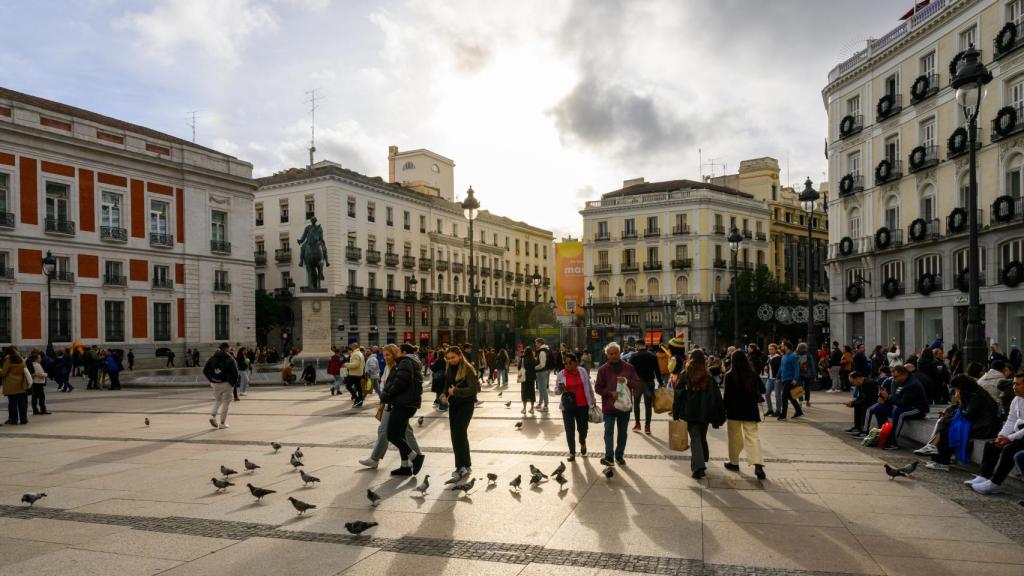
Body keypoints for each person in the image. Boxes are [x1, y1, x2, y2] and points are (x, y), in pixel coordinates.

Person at [360, 345, 421, 470]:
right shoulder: (391, 367)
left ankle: (413, 457)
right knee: (404, 432)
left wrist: (386, 396)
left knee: (386, 432)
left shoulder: (399, 365)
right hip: (392, 401)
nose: (385, 358)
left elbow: (398, 384)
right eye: (384, 355)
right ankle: (408, 461)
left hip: (394, 402)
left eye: (388, 355)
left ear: (396, 354)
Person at [927, 375, 1000, 471]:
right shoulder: (975, 394)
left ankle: (941, 460)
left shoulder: (976, 397)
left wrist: (960, 400)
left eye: (956, 389)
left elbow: (968, 415)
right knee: (945, 423)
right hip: (978, 424)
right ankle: (937, 457)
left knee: (946, 427)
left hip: (984, 428)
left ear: (962, 387)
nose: (955, 392)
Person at [967, 371, 1024, 494]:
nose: (1014, 387)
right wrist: (1001, 436)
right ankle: (984, 476)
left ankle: (995, 483)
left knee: (1010, 449)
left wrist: (1010, 438)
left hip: (1021, 435)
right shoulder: (1016, 400)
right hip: (1019, 434)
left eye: (1018, 384)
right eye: (1014, 384)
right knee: (992, 445)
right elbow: (1011, 420)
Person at [675, 349, 725, 479]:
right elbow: (716, 397)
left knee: (695, 438)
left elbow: (678, 394)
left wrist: (676, 412)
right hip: (705, 412)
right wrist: (718, 414)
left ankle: (698, 466)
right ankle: (703, 459)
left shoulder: (686, 374)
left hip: (690, 411)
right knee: (701, 436)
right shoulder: (708, 377)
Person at [380, 343, 425, 476]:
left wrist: (387, 395)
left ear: (403, 352)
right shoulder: (410, 362)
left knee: (391, 435)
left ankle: (415, 458)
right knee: (399, 435)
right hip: (408, 403)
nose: (397, 353)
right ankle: (405, 466)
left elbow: (400, 382)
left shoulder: (405, 361)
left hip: (403, 403)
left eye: (398, 351)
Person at [593, 342, 639, 468]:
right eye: (611, 354)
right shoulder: (603, 369)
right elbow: (597, 387)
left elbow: (637, 383)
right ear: (607, 355)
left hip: (624, 407)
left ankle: (619, 455)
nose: (613, 356)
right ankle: (609, 457)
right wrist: (609, 393)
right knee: (608, 432)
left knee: (622, 433)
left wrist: (627, 381)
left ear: (619, 353)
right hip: (609, 407)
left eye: (616, 353)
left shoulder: (629, 368)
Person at [722, 350, 766, 479]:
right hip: (750, 410)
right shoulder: (752, 373)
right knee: (752, 437)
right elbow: (762, 389)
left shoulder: (729, 375)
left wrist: (724, 410)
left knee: (734, 437)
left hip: (734, 411)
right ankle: (758, 465)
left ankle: (734, 462)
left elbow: (727, 396)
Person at [442, 346, 480, 480]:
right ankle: (466, 463)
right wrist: (444, 394)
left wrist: (457, 392)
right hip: (454, 405)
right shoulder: (450, 367)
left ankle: (460, 466)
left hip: (466, 405)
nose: (450, 360)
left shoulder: (468, 369)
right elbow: (448, 383)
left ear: (459, 355)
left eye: (453, 357)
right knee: (458, 434)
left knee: (458, 433)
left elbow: (475, 389)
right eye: (448, 358)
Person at [875, 364, 929, 450]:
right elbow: (894, 397)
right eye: (893, 376)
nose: (894, 379)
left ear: (904, 374)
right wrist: (885, 398)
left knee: (899, 412)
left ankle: (893, 441)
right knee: (878, 408)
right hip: (902, 406)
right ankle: (883, 435)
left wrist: (888, 397)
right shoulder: (896, 381)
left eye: (896, 377)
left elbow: (903, 403)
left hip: (917, 409)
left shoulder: (912, 384)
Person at [554, 352, 595, 461]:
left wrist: (593, 400)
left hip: (582, 405)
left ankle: (582, 442)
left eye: (570, 363)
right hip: (568, 407)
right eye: (565, 363)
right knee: (569, 429)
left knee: (583, 429)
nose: (567, 365)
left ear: (576, 363)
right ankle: (572, 452)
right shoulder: (561, 374)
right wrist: (560, 389)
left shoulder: (582, 371)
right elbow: (556, 391)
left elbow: (588, 386)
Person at [627, 341, 661, 434]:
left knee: (636, 404)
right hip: (649, 383)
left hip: (637, 384)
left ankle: (637, 424)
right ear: (644, 345)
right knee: (648, 406)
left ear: (638, 345)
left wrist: (629, 382)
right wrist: (661, 383)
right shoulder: (652, 355)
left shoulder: (634, 356)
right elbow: (657, 371)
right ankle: (647, 427)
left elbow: (629, 370)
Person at [203, 343, 239, 429]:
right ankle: (222, 423)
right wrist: (233, 383)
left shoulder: (212, 358)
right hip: (226, 383)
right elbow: (235, 373)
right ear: (226, 348)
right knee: (226, 403)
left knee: (218, 400)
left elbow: (205, 370)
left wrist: (211, 379)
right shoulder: (230, 359)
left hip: (215, 383)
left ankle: (213, 416)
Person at [844, 371, 879, 436]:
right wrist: (853, 402)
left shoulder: (868, 383)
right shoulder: (860, 384)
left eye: (853, 382)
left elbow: (867, 400)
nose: (853, 384)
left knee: (865, 407)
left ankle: (865, 430)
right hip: (870, 401)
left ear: (857, 378)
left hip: (876, 402)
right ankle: (857, 427)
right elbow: (860, 397)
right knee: (857, 405)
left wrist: (853, 404)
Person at [2, 347, 30, 425]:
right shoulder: (21, 360)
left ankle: (14, 419)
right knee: (21, 403)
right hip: (20, 383)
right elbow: (24, 369)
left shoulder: (8, 361)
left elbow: (3, 373)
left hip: (11, 385)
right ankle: (23, 419)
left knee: (12, 403)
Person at [777, 340, 804, 420]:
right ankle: (799, 411)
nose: (781, 347)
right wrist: (778, 377)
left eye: (782, 346)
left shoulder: (793, 356)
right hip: (784, 379)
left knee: (784, 396)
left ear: (786, 346)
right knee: (791, 396)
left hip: (790, 379)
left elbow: (797, 368)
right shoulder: (784, 356)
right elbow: (781, 368)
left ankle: (783, 414)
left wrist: (795, 378)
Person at [27, 351, 50, 416]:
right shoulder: (36, 365)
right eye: (39, 358)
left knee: (35, 397)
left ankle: (36, 410)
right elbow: (39, 374)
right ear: (36, 359)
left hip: (36, 383)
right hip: (38, 383)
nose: (41, 359)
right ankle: (42, 410)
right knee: (41, 397)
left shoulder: (34, 364)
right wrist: (46, 374)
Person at [763, 343, 782, 417]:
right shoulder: (769, 357)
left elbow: (780, 369)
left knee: (777, 395)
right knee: (767, 394)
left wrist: (779, 377)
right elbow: (769, 367)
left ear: (776, 350)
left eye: (772, 349)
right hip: (770, 378)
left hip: (776, 379)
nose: (770, 351)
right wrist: (766, 368)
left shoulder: (778, 357)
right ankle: (770, 409)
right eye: (769, 349)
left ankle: (778, 410)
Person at [344, 343, 365, 407]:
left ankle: (357, 399)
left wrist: (347, 364)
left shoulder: (356, 354)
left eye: (352, 346)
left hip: (354, 373)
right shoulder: (360, 353)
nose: (351, 347)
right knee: (358, 387)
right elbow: (363, 364)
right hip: (358, 373)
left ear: (355, 347)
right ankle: (360, 401)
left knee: (348, 385)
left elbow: (355, 364)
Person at [535, 339, 552, 412]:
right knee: (541, 389)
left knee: (543, 389)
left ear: (540, 343)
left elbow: (542, 364)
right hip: (543, 371)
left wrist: (534, 367)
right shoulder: (545, 350)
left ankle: (545, 406)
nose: (535, 344)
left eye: (536, 343)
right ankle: (540, 403)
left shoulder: (542, 352)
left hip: (542, 372)